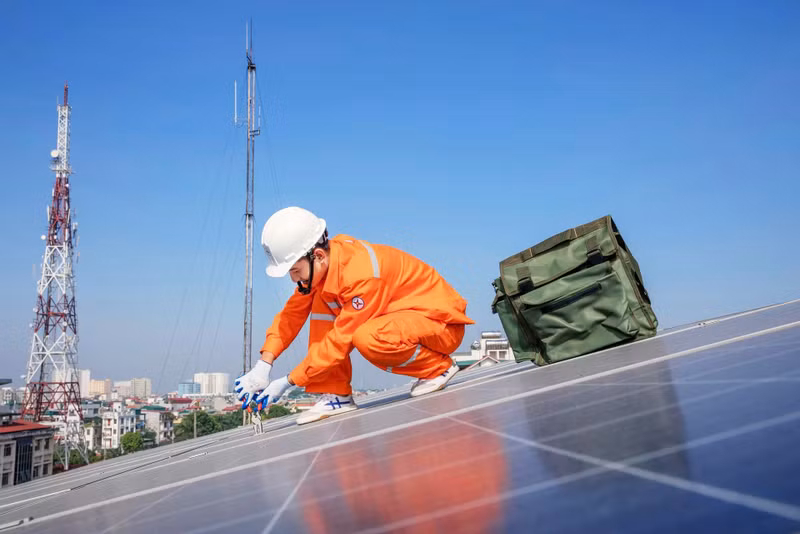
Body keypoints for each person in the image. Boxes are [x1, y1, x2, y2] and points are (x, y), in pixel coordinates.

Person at [234, 207, 474, 425]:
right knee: (321, 300)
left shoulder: (361, 276)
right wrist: (263, 365)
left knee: (368, 337)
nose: (294, 279)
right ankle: (337, 393)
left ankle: (437, 368)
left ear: (317, 255)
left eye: (295, 271)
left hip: (441, 326)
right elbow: (291, 315)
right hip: (411, 322)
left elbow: (340, 341)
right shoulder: (328, 267)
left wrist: (288, 381)